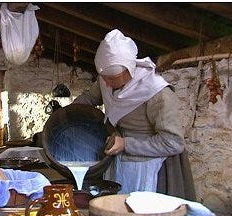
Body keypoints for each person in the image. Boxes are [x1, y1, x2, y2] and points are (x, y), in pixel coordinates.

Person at [73, 29, 196, 200]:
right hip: (117, 160)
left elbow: (173, 143)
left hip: (147, 167)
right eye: (103, 77)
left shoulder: (157, 93)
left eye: (112, 77)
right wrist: (68, 115)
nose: (106, 83)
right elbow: (89, 98)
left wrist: (126, 144)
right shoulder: (106, 80)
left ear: (129, 70)